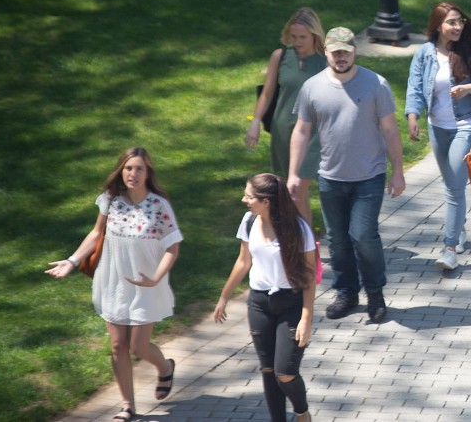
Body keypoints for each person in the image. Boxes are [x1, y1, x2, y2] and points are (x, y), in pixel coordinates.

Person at [46, 147, 181, 422]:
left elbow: (172, 248)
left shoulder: (159, 206)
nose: (133, 174)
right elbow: (97, 233)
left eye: (139, 168)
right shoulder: (112, 200)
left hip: (146, 283)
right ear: (121, 171)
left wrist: (155, 278)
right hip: (114, 281)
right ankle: (127, 406)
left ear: (148, 172)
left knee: (138, 347)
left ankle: (165, 368)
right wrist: (72, 261)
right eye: (128, 168)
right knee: (119, 345)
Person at [287, 26, 404, 324]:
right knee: (338, 240)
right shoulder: (313, 87)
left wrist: (398, 172)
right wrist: (293, 174)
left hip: (369, 176)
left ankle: (375, 293)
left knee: (363, 235)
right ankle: (347, 293)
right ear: (325, 52)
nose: (341, 57)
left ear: (355, 52)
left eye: (346, 52)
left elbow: (390, 130)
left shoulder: (375, 83)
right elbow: (301, 131)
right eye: (335, 52)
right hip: (331, 177)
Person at [213, 174, 316, 422]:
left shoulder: (298, 228)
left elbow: (309, 276)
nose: (244, 200)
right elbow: (243, 261)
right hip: (259, 304)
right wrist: (224, 297)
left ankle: (302, 412)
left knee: (285, 372)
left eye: (249, 196)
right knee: (268, 370)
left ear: (266, 201)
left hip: (290, 304)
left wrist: (306, 319)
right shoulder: (249, 221)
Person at [406, 2, 471, 271]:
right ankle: (459, 227)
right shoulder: (425, 53)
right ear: (438, 26)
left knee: (454, 189)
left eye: (460, 21)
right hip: (437, 127)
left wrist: (470, 88)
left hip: (466, 125)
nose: (458, 27)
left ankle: (449, 249)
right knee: (450, 184)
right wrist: (413, 115)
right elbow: (414, 87)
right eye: (451, 22)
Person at [245, 7, 327, 225]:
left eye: (303, 37)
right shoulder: (280, 56)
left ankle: (307, 243)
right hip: (282, 129)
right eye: (293, 36)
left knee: (297, 190)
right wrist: (255, 123)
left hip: (312, 133)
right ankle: (291, 238)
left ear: (314, 35)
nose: (297, 41)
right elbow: (267, 93)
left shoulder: (325, 61)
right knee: (285, 191)